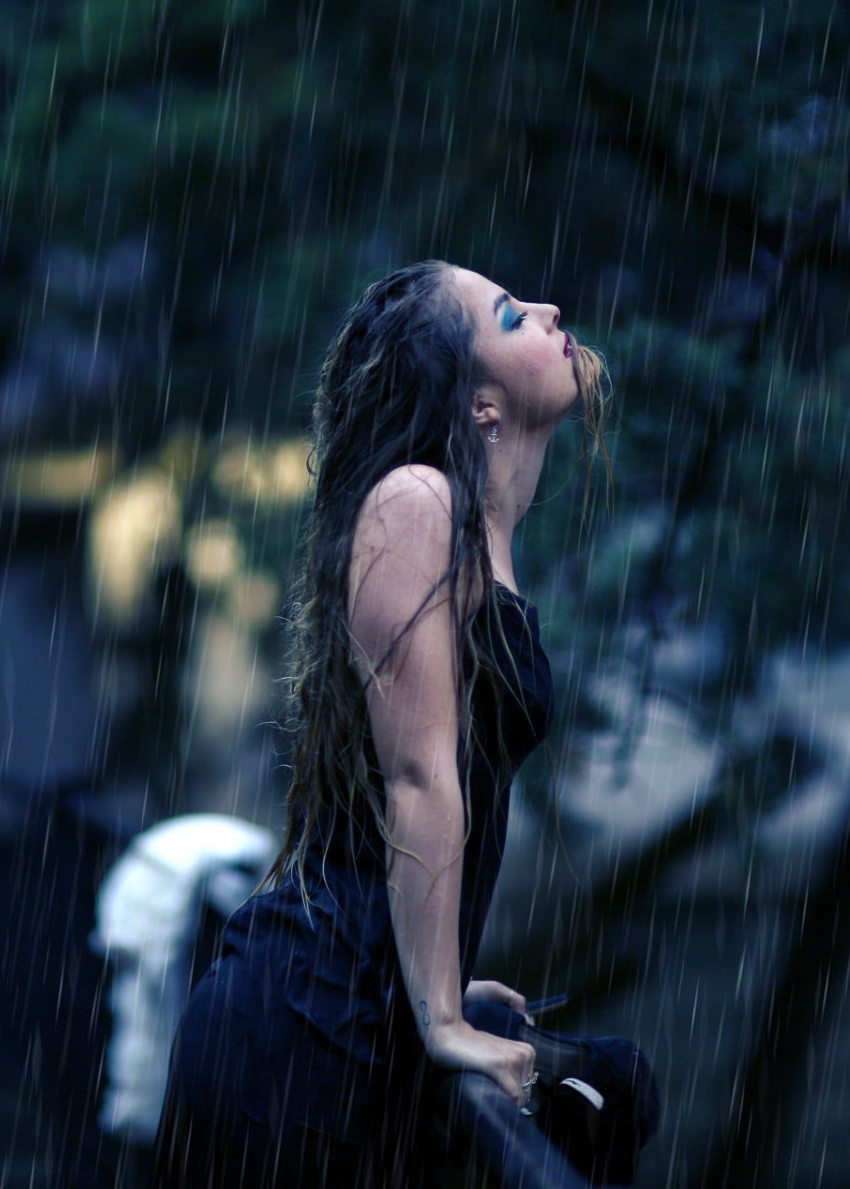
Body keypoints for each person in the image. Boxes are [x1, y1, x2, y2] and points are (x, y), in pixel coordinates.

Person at [154, 259, 610, 1188]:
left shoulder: (479, 530)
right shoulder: (417, 501)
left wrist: (432, 974)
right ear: (478, 401)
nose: (552, 310)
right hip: (301, 1030)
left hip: (354, 1009)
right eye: (514, 316)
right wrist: (439, 1016)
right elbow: (417, 778)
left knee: (614, 1087)